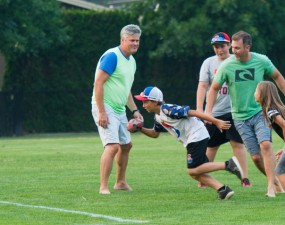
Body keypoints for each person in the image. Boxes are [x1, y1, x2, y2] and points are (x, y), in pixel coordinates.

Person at [206, 30, 285, 197]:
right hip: (240, 117)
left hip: (260, 112)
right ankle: (276, 182)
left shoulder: (261, 60)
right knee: (256, 157)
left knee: (266, 145)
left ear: (247, 47)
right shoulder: (227, 66)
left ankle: (270, 186)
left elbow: (277, 76)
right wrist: (208, 112)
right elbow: (213, 89)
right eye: (232, 47)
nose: (233, 51)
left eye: (237, 48)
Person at [133, 86, 244, 200]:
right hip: (194, 137)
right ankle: (223, 190)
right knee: (195, 173)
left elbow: (194, 112)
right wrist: (139, 128)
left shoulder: (168, 109)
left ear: (155, 101)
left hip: (196, 135)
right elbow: (154, 134)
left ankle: (229, 165)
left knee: (192, 170)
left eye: (145, 101)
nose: (143, 105)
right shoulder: (158, 117)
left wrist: (216, 122)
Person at [91, 24, 143, 194]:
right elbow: (98, 83)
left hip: (119, 109)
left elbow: (125, 89)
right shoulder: (112, 56)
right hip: (105, 106)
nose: (135, 43)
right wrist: (102, 112)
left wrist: (135, 111)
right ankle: (103, 187)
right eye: (131, 40)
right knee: (112, 146)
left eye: (137, 40)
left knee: (126, 145)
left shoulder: (132, 61)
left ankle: (120, 182)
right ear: (122, 40)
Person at [196, 32, 250, 188]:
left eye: (222, 46)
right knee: (211, 146)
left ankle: (245, 178)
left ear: (229, 46)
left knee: (237, 144)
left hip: (234, 112)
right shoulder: (208, 63)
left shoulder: (237, 61)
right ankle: (204, 178)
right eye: (216, 47)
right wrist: (202, 110)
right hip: (214, 113)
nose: (219, 49)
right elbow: (202, 86)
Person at [254, 81, 285, 190]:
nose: (254, 94)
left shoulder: (271, 110)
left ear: (263, 93)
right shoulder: (276, 108)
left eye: (256, 91)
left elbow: (284, 125)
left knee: (280, 170)